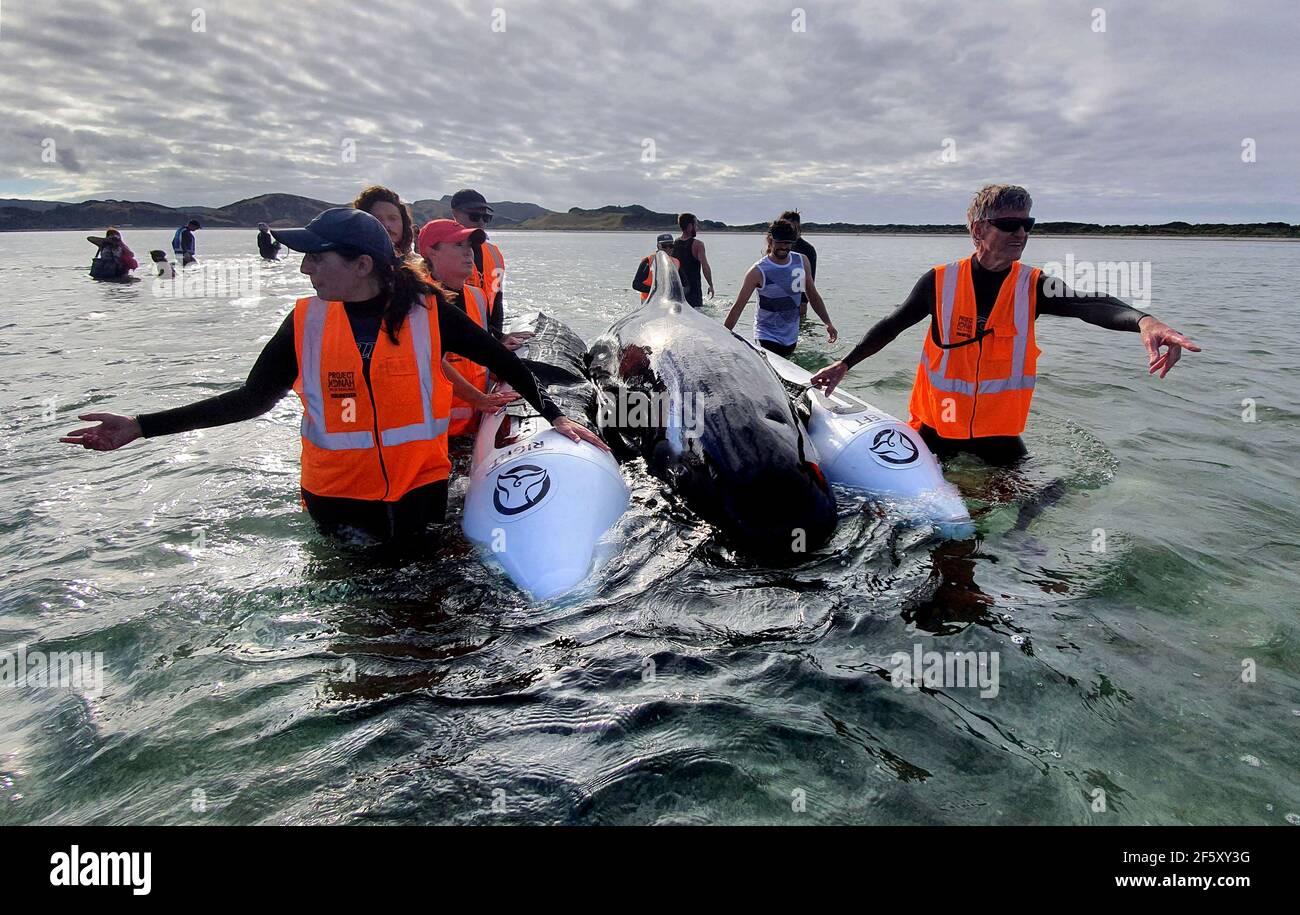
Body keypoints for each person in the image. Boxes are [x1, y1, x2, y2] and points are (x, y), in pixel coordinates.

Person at [61, 208, 608, 544]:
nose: (304, 268)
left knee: (433, 632)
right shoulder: (305, 322)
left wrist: (557, 415)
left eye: (316, 258)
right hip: (337, 505)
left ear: (362, 264)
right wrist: (141, 425)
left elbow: (503, 360)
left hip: (420, 497)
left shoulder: (428, 313)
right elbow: (252, 400)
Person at [810, 184, 1201, 465]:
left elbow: (1090, 305)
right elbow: (893, 324)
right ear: (979, 229)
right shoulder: (939, 281)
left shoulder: (1034, 285)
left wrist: (1144, 321)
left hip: (997, 434)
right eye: (1010, 225)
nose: (1022, 233)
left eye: (1028, 224)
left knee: (1031, 508)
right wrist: (845, 364)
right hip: (935, 427)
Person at [417, 218, 517, 438]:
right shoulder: (416, 302)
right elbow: (430, 361)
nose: (468, 253)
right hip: (436, 434)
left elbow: (478, 353)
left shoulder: (477, 297)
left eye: (469, 245)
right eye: (458, 245)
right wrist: (478, 398)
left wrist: (498, 372)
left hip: (475, 426)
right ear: (431, 252)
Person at [724, 219, 837, 357]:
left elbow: (812, 295)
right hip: (766, 335)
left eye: (788, 243)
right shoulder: (757, 271)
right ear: (770, 240)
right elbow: (738, 306)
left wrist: (827, 323)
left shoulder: (802, 261)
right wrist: (722, 337)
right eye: (780, 242)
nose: (784, 247)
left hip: (791, 337)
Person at [449, 189, 517, 346]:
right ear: (455, 214)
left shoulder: (495, 254)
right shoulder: (444, 254)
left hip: (484, 342)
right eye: (474, 216)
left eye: (486, 217)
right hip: (457, 342)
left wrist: (499, 338)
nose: (480, 222)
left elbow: (497, 300)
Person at [352, 186, 414, 259]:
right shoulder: (351, 265)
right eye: (377, 219)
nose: (386, 225)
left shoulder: (417, 267)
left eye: (392, 218)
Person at [670, 213, 714, 308]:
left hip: (677, 292)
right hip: (694, 293)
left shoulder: (673, 244)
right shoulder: (698, 245)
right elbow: (705, 266)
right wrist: (711, 285)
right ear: (690, 226)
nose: (697, 228)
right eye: (696, 225)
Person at [780, 209, 817, 320]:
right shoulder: (776, 246)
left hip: (797, 299)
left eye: (791, 227)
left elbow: (810, 279)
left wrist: (804, 302)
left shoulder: (807, 249)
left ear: (798, 227)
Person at [631, 233, 679, 301]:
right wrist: (656, 290)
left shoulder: (676, 262)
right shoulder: (647, 261)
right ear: (658, 246)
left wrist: (676, 292)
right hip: (648, 302)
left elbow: (686, 286)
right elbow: (636, 284)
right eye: (664, 246)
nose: (668, 249)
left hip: (668, 301)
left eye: (671, 246)